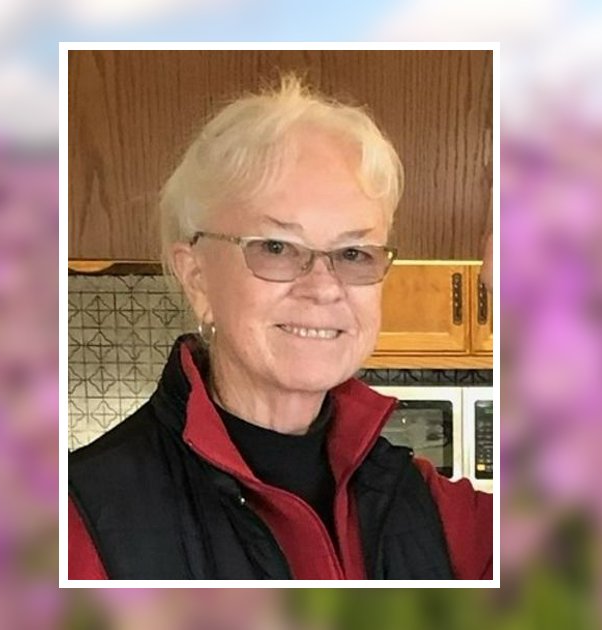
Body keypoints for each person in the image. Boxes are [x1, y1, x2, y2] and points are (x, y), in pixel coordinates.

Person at [68, 75, 493, 579]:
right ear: (196, 275)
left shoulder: (434, 510)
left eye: (353, 253)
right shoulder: (78, 523)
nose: (323, 286)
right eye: (276, 247)